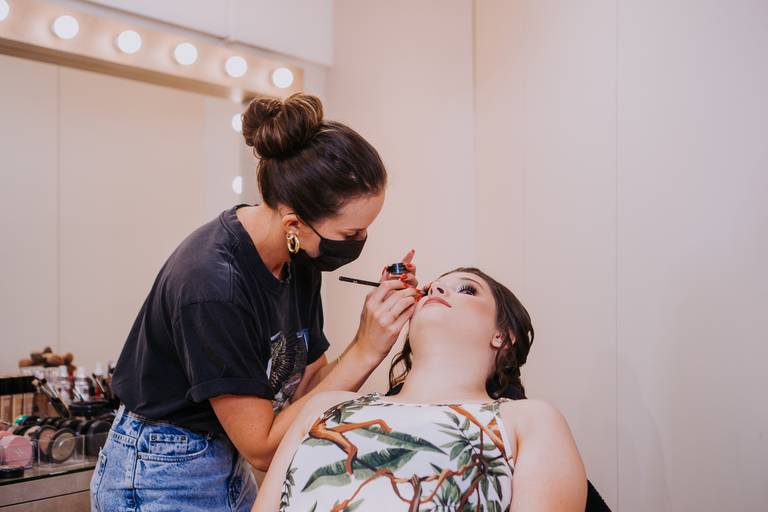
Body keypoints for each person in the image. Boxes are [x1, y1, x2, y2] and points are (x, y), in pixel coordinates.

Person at [90, 93, 422, 511]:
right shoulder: (213, 285)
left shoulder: (298, 258)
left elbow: (305, 388)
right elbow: (262, 446)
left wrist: (367, 339)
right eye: (351, 234)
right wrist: (366, 349)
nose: (360, 242)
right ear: (293, 224)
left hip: (224, 459)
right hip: (162, 468)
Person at [253, 268, 587, 512]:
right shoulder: (325, 407)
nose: (436, 289)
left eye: (466, 289)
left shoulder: (528, 420)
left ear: (503, 335)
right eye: (430, 288)